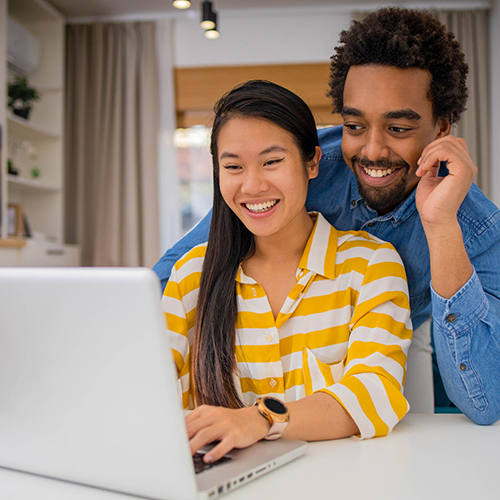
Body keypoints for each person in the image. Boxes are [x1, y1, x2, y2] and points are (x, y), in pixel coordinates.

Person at [155, 7, 500, 425]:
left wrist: (441, 226)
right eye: (355, 125)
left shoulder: (477, 229)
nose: (371, 151)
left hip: (409, 332)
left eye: (398, 129)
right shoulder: (296, 161)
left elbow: (485, 402)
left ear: (441, 127)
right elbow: (184, 269)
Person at [161, 80, 412, 463]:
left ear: (312, 162)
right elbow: (147, 391)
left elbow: (375, 391)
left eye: (272, 161)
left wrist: (259, 420)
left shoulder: (370, 265)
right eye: (232, 167)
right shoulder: (193, 274)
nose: (252, 185)